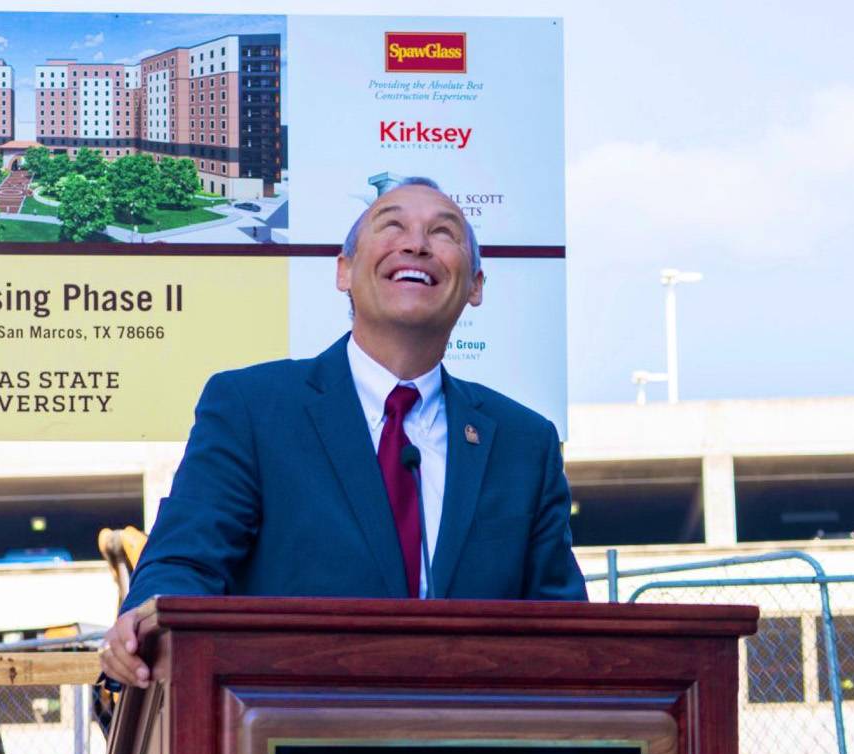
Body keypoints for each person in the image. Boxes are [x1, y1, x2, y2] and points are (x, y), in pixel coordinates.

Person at [100, 178, 586, 687]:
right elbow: (185, 563)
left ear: (475, 286)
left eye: (443, 233)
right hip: (283, 746)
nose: (416, 243)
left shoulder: (524, 444)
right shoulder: (253, 408)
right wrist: (145, 622)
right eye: (392, 225)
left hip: (476, 752)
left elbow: (564, 626)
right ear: (344, 270)